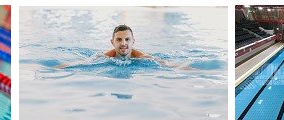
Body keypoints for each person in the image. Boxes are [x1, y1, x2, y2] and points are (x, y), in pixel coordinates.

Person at [55, 25, 195, 70]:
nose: (123, 43)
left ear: (133, 42)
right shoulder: (103, 57)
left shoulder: (143, 58)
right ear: (112, 42)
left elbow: (168, 65)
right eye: (119, 39)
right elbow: (80, 63)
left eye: (127, 39)